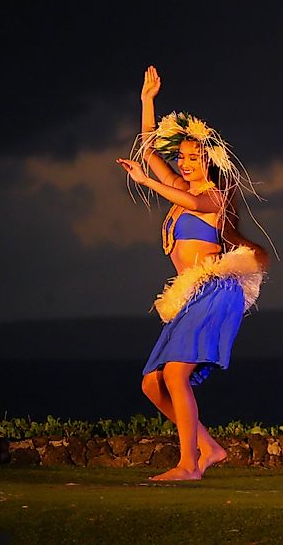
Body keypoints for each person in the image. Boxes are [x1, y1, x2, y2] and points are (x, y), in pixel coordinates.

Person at [116, 66, 267, 481]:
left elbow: (173, 190)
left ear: (210, 161)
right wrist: (148, 102)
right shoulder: (182, 190)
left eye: (193, 157)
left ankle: (189, 465)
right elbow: (149, 152)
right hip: (190, 295)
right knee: (152, 384)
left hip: (216, 289)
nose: (183, 163)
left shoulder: (214, 196)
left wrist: (148, 183)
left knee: (175, 373)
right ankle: (209, 447)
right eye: (181, 157)